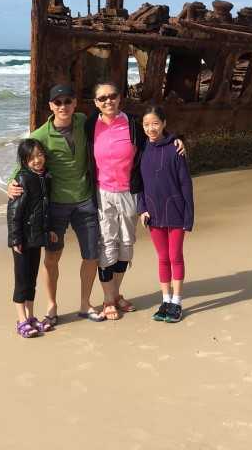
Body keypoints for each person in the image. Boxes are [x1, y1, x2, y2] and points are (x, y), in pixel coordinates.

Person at [7, 84, 104, 325]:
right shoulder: (39, 135)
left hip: (85, 202)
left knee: (91, 255)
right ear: (50, 106)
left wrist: (173, 138)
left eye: (68, 101)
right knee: (52, 259)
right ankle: (52, 306)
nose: (63, 106)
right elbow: (20, 165)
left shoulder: (83, 121)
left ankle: (85, 303)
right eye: (58, 102)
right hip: (55, 207)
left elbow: (114, 117)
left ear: (75, 103)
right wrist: (10, 184)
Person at [84, 82, 146, 322]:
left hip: (129, 192)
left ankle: (116, 293)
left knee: (126, 245)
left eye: (112, 96)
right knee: (108, 245)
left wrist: (177, 140)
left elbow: (155, 135)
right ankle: (109, 299)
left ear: (120, 98)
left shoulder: (132, 122)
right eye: (102, 98)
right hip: (102, 193)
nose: (108, 101)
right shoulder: (90, 125)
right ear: (95, 103)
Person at [138, 106, 195, 323]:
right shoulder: (143, 149)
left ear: (163, 123)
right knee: (162, 258)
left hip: (176, 213)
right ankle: (166, 299)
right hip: (153, 214)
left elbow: (186, 185)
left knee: (175, 256)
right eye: (146, 124)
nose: (151, 128)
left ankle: (177, 301)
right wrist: (142, 208)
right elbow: (140, 184)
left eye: (155, 123)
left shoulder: (175, 149)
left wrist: (188, 217)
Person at [7, 139, 56, 338]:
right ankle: (21, 320)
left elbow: (45, 209)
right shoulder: (23, 179)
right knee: (21, 280)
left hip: (36, 237)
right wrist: (15, 239)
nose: (37, 160)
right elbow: (13, 212)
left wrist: (49, 229)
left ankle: (31, 316)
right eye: (32, 157)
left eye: (40, 155)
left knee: (32, 279)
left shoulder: (46, 177)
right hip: (22, 239)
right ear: (24, 160)